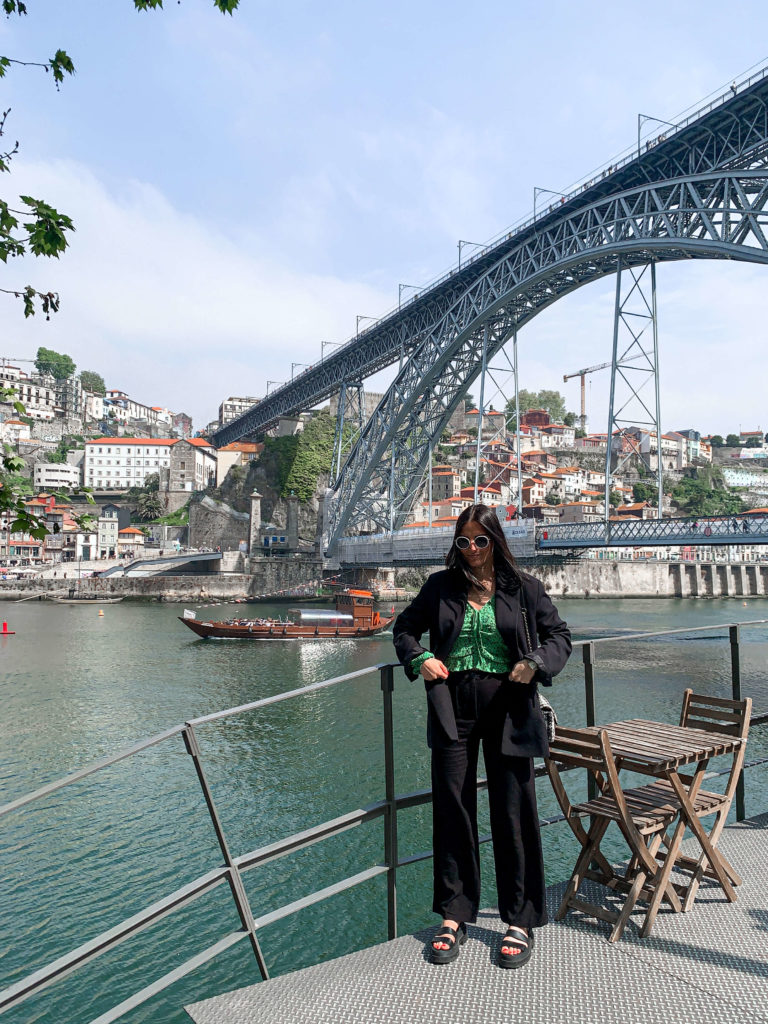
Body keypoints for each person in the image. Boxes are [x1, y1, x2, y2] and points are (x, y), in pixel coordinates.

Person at [393, 504, 571, 969]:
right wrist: (418, 659)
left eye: (480, 540)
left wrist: (534, 663)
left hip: (510, 704)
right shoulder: (440, 586)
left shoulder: (524, 588)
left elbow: (559, 637)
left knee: (513, 810)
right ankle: (455, 914)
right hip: (453, 704)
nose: (471, 550)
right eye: (463, 541)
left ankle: (520, 917)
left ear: (496, 540)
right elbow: (405, 628)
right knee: (453, 807)